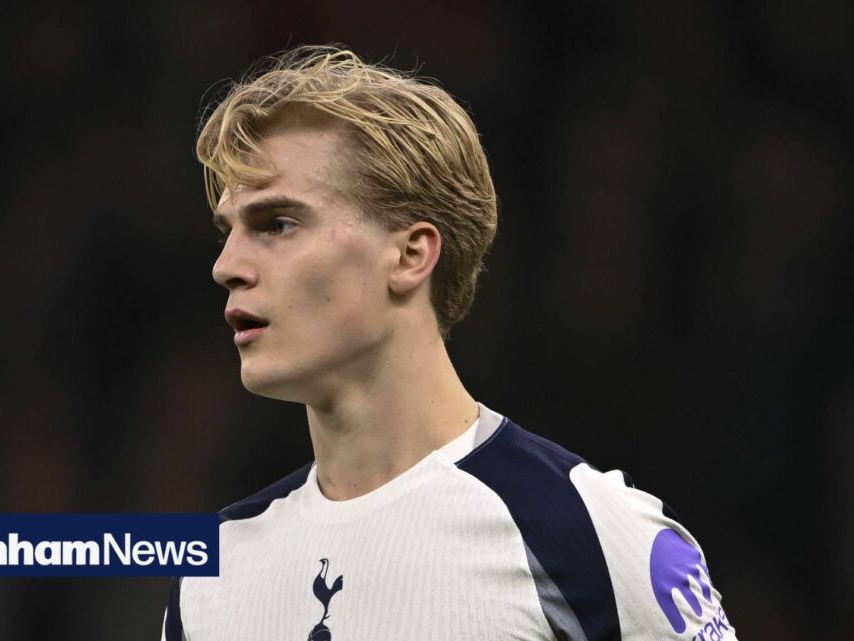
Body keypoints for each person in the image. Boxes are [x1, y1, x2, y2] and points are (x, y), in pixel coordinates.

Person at [162, 46, 736, 641]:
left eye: (277, 224)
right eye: (228, 232)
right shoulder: (213, 571)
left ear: (411, 255)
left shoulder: (589, 531)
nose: (225, 266)